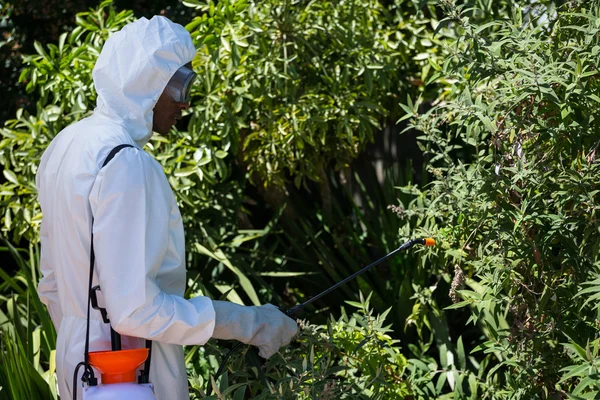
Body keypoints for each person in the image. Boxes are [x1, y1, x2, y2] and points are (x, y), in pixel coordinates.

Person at [36, 16, 298, 400]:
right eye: (178, 84)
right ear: (145, 83)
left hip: (80, 367)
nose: (184, 101)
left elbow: (52, 284)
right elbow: (136, 311)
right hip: (128, 368)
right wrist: (250, 323)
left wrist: (84, 334)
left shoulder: (65, 145)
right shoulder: (124, 161)